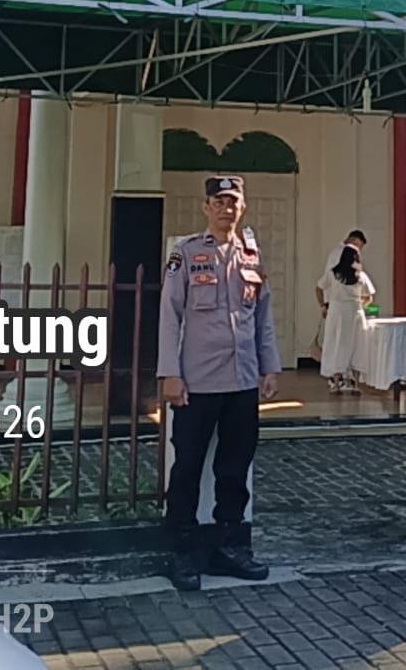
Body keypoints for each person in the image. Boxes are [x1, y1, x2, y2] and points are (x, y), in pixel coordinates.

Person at [157, 175, 281, 591]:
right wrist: (170, 373)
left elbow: (262, 316)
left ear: (242, 207)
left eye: (233, 202)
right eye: (219, 201)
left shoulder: (251, 256)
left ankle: (230, 547)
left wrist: (270, 367)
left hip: (242, 380)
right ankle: (181, 552)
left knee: (234, 467)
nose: (227, 208)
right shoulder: (187, 254)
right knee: (187, 467)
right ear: (206, 207)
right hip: (196, 382)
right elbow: (169, 315)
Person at [316, 245, 375, 393]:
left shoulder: (333, 273)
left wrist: (323, 306)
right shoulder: (360, 276)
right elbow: (369, 297)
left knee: (336, 344)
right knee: (357, 346)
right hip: (355, 312)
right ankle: (355, 383)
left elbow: (319, 288)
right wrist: (360, 305)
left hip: (337, 312)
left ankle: (336, 383)